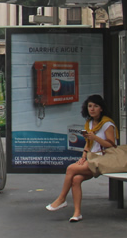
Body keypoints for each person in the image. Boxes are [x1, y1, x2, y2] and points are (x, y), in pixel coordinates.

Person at [47, 94, 118, 222]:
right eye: (90, 106)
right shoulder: (89, 123)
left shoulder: (107, 124)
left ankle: (62, 199)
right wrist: (83, 157)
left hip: (103, 159)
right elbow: (88, 143)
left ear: (101, 108)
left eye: (96, 106)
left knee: (70, 169)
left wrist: (95, 137)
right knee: (76, 179)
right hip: (91, 158)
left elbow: (112, 145)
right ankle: (77, 213)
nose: (92, 109)